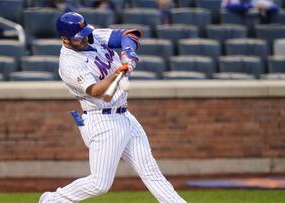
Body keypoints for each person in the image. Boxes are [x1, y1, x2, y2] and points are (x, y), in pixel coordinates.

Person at [38, 12, 187, 203]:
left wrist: (128, 53)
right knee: (100, 184)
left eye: (85, 33)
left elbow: (130, 34)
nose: (84, 38)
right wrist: (117, 73)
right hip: (102, 120)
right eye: (79, 37)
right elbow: (96, 91)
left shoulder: (93, 36)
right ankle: (52, 200)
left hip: (124, 115)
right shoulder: (69, 63)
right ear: (65, 39)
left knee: (151, 171)